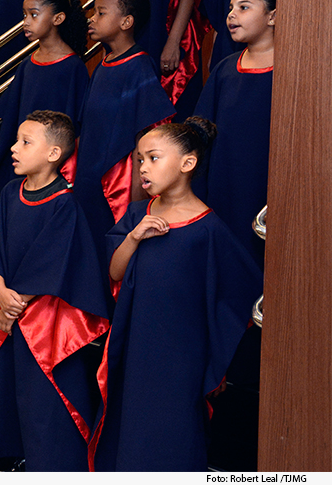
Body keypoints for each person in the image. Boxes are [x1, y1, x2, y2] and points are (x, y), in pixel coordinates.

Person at [91, 117, 262, 471]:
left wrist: (215, 362)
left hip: (180, 357)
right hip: (135, 344)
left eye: (153, 158)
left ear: (188, 163)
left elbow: (238, 292)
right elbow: (114, 272)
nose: (143, 168)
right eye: (139, 160)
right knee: (130, 426)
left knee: (172, 434)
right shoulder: (139, 213)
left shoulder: (208, 228)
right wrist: (134, 236)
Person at [0, 111, 111, 470]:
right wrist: (0, 290)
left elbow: (55, 261)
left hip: (45, 315)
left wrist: (13, 303)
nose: (14, 149)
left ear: (54, 154)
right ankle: (19, 454)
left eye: (25, 142)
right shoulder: (10, 191)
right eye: (17, 140)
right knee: (12, 383)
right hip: (11, 305)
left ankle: (52, 463)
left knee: (43, 392)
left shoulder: (64, 202)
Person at [74, 0, 175, 252]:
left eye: (101, 12)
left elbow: (146, 134)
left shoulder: (140, 66)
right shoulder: (103, 64)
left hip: (116, 187)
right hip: (88, 178)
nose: (92, 19)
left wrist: (137, 197)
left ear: (126, 22)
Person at [194, 0, 275, 269]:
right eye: (230, 8)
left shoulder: (291, 70)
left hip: (268, 184)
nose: (231, 15)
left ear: (273, 16)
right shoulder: (226, 68)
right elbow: (200, 129)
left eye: (244, 7)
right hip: (225, 183)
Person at [0, 0, 90, 189]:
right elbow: (13, 115)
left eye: (34, 15)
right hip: (23, 159)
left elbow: (76, 124)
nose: (26, 21)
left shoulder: (73, 67)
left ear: (58, 18)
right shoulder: (27, 64)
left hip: (52, 166)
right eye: (25, 15)